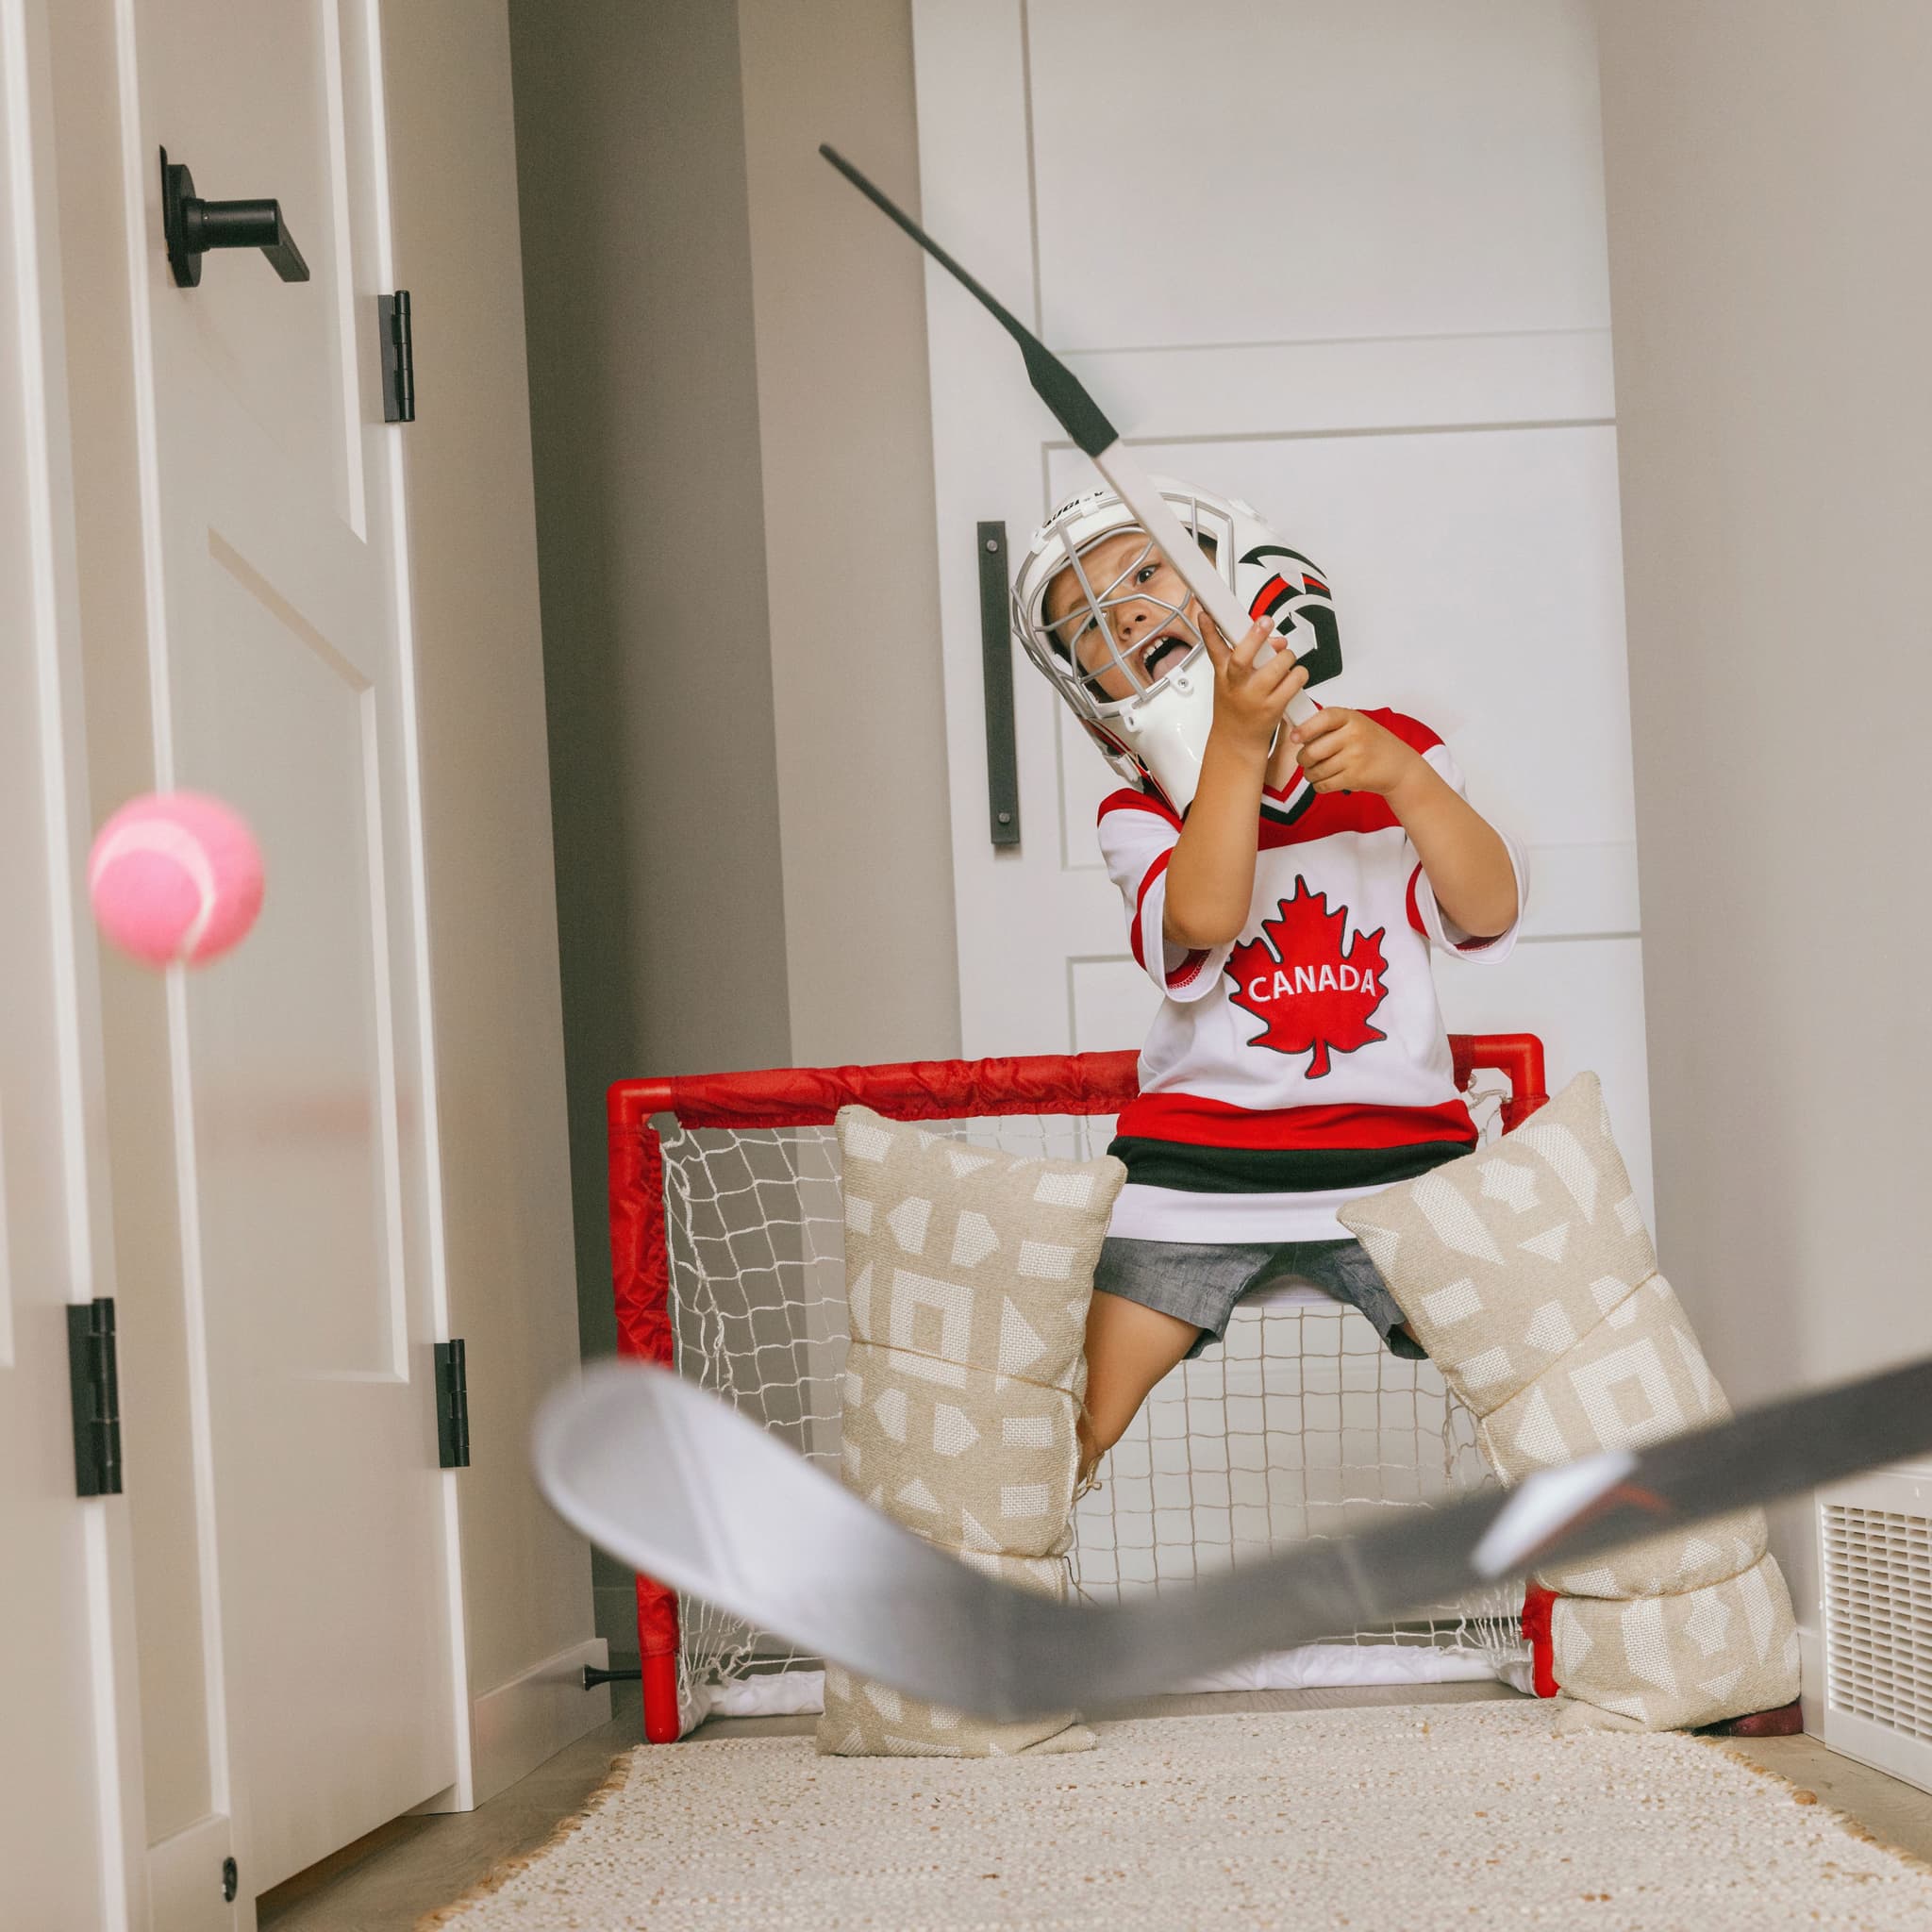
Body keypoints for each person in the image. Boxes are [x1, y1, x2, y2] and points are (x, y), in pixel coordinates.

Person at [1009, 479, 1526, 1486]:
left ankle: (1601, 1602)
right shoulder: (1138, 811)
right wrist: (1237, 744)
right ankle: (984, 1604)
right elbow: (1203, 914)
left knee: (1536, 1377)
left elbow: (1490, 906)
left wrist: (1409, 783)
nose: (1123, 611)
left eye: (1147, 570)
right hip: (1197, 1169)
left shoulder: (1390, 752)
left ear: (1232, 574)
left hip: (1396, 1159)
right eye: (1086, 623)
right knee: (1070, 1415)